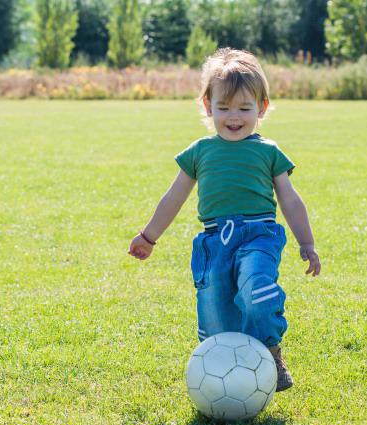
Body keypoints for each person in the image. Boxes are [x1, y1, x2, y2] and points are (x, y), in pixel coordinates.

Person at [128, 48, 321, 391]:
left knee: (256, 291)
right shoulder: (199, 152)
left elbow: (290, 200)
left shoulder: (268, 152)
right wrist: (149, 236)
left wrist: (306, 242)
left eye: (245, 108)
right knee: (216, 316)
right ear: (207, 105)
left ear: (261, 108)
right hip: (214, 242)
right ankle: (224, 377)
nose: (235, 117)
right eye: (225, 107)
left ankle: (272, 353)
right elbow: (174, 197)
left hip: (258, 236)